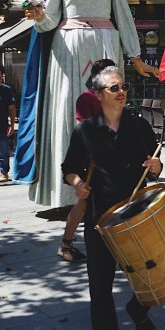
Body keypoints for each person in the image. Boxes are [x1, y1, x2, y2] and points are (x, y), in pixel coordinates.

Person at [16, 0, 160, 207]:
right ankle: (68, 191)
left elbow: (123, 17)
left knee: (106, 114)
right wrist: (37, 15)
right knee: (70, 113)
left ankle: (109, 187)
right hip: (67, 51)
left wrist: (135, 58)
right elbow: (51, 20)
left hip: (105, 47)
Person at [61, 67, 162, 329]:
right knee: (100, 286)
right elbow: (68, 168)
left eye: (124, 87)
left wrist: (156, 167)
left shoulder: (138, 125)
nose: (121, 92)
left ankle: (138, 310)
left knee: (153, 274)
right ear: (98, 94)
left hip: (137, 215)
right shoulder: (85, 131)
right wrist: (79, 183)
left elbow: (156, 164)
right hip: (100, 219)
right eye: (114, 88)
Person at [57, 58, 115, 263]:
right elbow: (83, 129)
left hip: (109, 161)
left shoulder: (109, 97)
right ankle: (66, 244)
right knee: (82, 205)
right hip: (91, 162)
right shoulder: (86, 98)